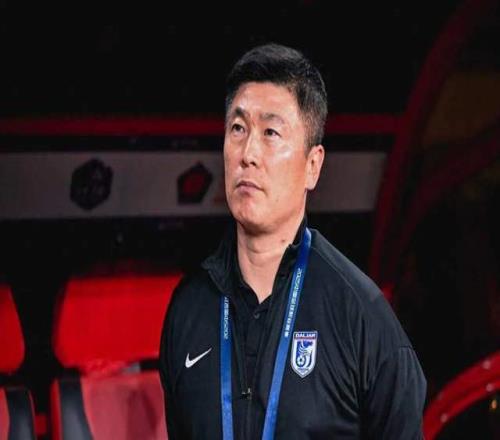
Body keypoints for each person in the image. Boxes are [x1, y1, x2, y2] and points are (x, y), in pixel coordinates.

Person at [159, 43, 426, 439]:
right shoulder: (188, 308)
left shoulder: (361, 316)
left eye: (270, 132)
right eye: (238, 129)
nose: (248, 153)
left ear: (313, 166)